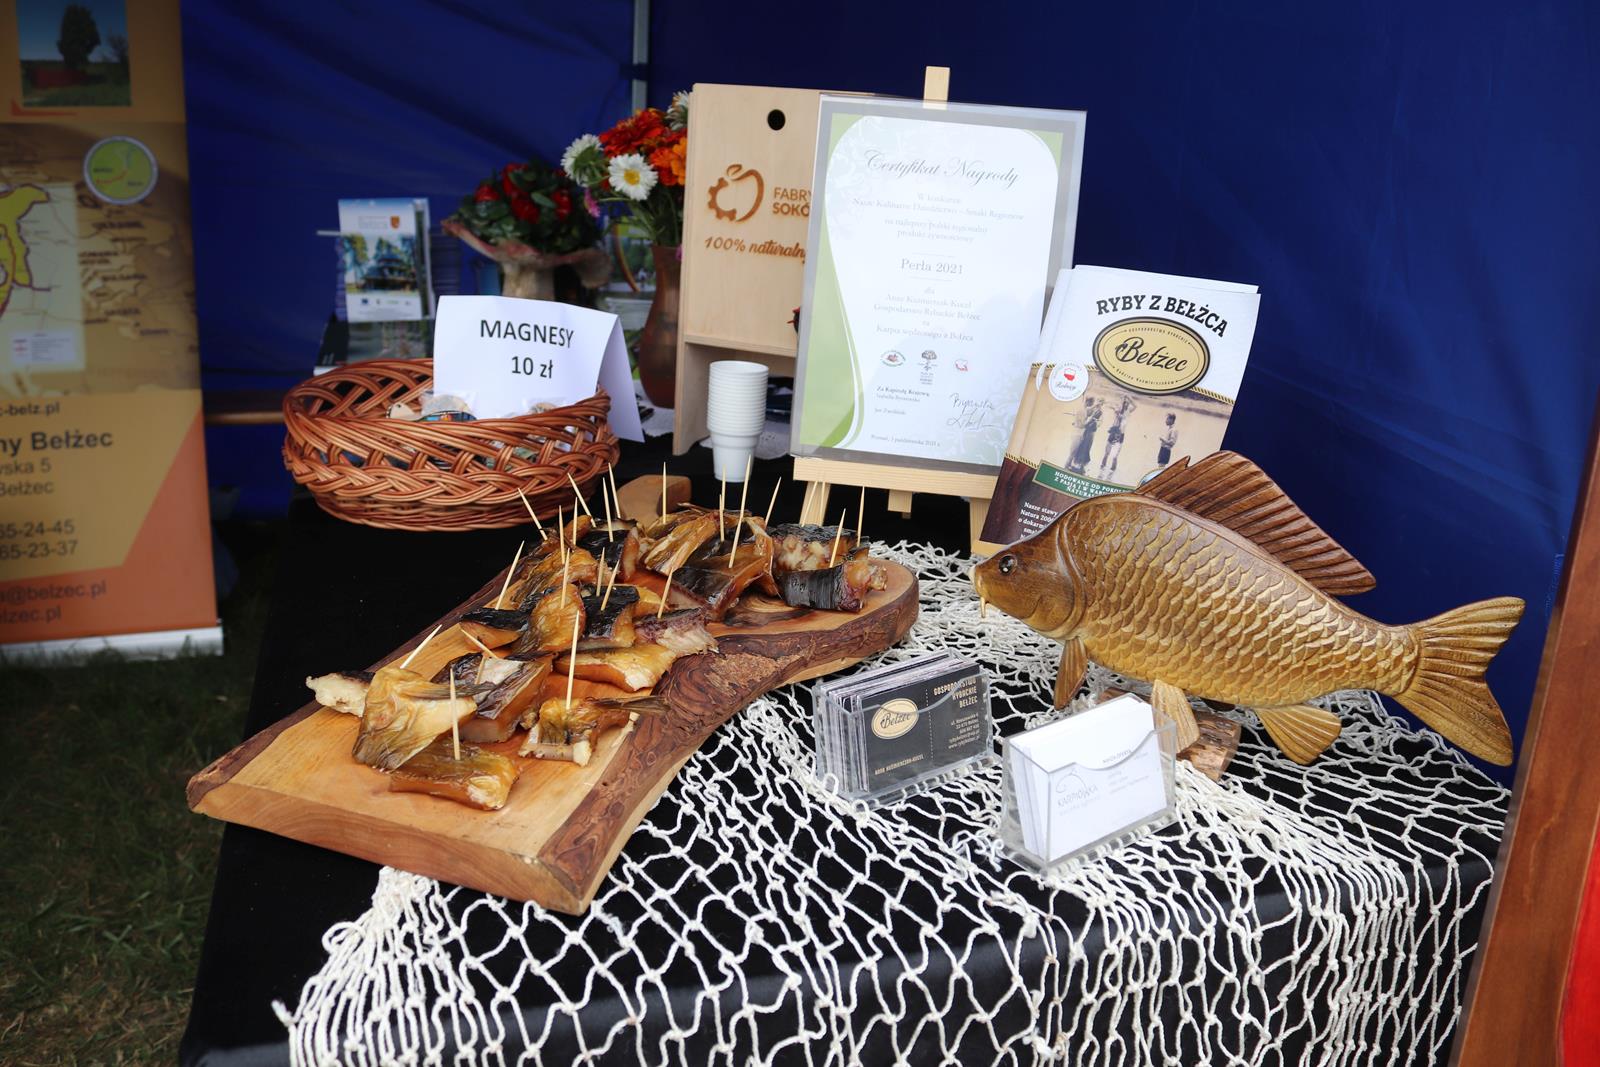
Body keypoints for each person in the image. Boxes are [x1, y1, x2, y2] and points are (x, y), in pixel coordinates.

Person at [1097, 398, 1135, 481]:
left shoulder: (1127, 412)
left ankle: (1112, 470)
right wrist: (1107, 404)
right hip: (1113, 432)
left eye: (1127, 404)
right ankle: (1102, 469)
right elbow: (1113, 406)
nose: (1125, 405)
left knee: (1115, 456)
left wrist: (1129, 398)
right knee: (1106, 452)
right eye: (1124, 403)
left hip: (1120, 435)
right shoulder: (1119, 409)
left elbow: (1135, 406)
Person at [1067, 398, 1103, 474]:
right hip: (1083, 431)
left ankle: (1077, 465)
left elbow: (1099, 423)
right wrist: (1090, 418)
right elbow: (1085, 419)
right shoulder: (1088, 410)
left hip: (1089, 432)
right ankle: (1071, 465)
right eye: (1098, 401)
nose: (1098, 404)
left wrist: (1095, 422)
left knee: (1086, 448)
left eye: (1101, 402)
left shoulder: (1099, 412)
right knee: (1078, 449)